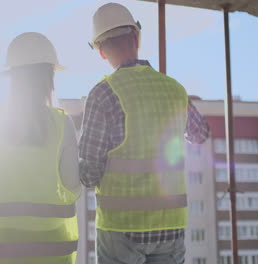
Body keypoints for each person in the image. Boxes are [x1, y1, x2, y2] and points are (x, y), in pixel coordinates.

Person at [80, 3, 210, 264]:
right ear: (137, 38)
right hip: (170, 227)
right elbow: (200, 134)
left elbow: (89, 173)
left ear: (102, 52)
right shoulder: (174, 89)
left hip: (121, 229)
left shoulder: (103, 93)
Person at [0, 32, 81, 264]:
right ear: (49, 77)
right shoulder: (62, 124)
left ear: (11, 76)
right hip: (52, 248)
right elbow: (72, 187)